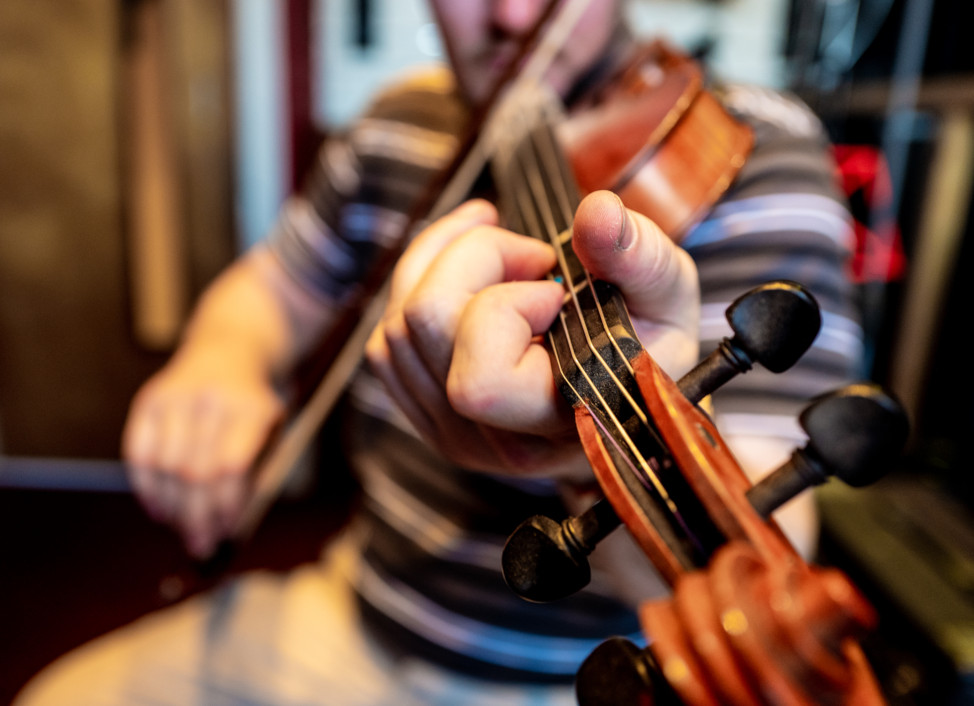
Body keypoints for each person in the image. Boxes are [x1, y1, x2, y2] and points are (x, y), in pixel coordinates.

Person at [15, 0, 864, 704]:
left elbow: (773, 530)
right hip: (354, 615)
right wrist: (222, 359)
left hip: (591, 677)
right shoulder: (399, 124)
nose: (513, 13)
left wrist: (584, 447)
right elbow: (274, 289)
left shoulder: (759, 154)